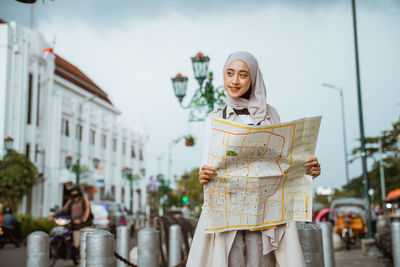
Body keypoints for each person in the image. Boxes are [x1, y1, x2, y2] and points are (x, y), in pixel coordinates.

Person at [186, 51, 321, 267]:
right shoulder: (214, 119)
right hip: (228, 213)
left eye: (242, 75)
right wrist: (204, 174)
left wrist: (308, 168)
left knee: (262, 262)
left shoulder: (271, 116)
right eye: (230, 73)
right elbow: (207, 166)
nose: (234, 80)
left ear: (253, 79)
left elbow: (284, 162)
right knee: (230, 260)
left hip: (264, 212)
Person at [49, 184, 93, 249]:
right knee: (76, 245)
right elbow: (64, 210)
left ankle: (84, 257)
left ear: (78, 191)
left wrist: (81, 220)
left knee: (84, 244)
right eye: (72, 191)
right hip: (75, 226)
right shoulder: (71, 201)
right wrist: (54, 216)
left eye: (74, 191)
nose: (73, 193)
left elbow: (87, 211)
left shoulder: (84, 200)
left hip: (84, 226)